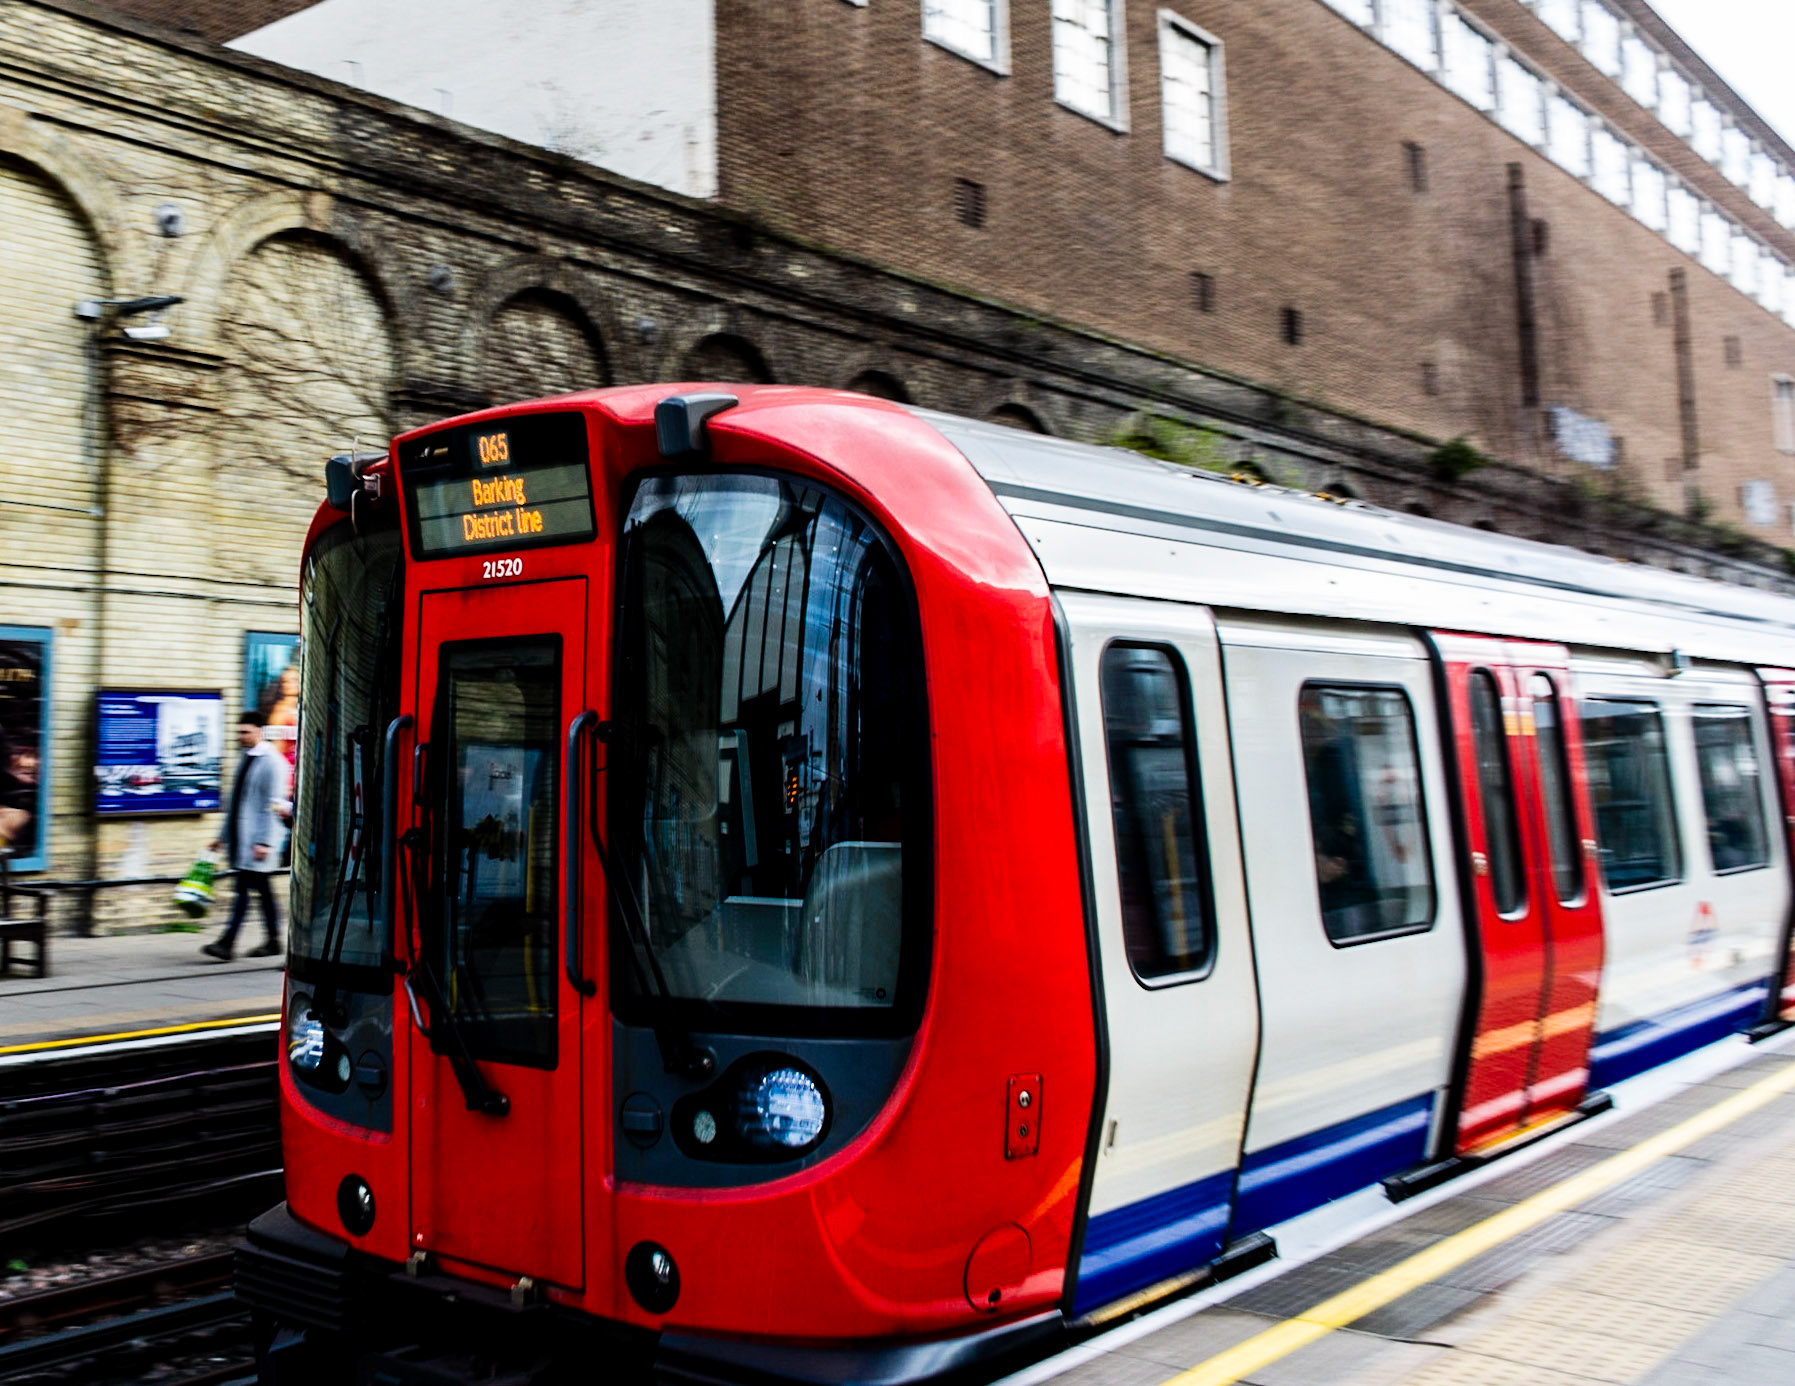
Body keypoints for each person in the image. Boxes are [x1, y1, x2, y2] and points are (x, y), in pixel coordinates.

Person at [203, 710, 287, 961]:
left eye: (246, 732)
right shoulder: (246, 757)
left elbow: (275, 804)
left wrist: (266, 842)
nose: (241, 736)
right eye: (239, 732)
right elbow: (236, 801)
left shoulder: (272, 762)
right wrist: (222, 837)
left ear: (259, 731)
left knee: (243, 891)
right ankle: (273, 940)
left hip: (257, 842)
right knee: (263, 892)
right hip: (243, 839)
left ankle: (227, 943)